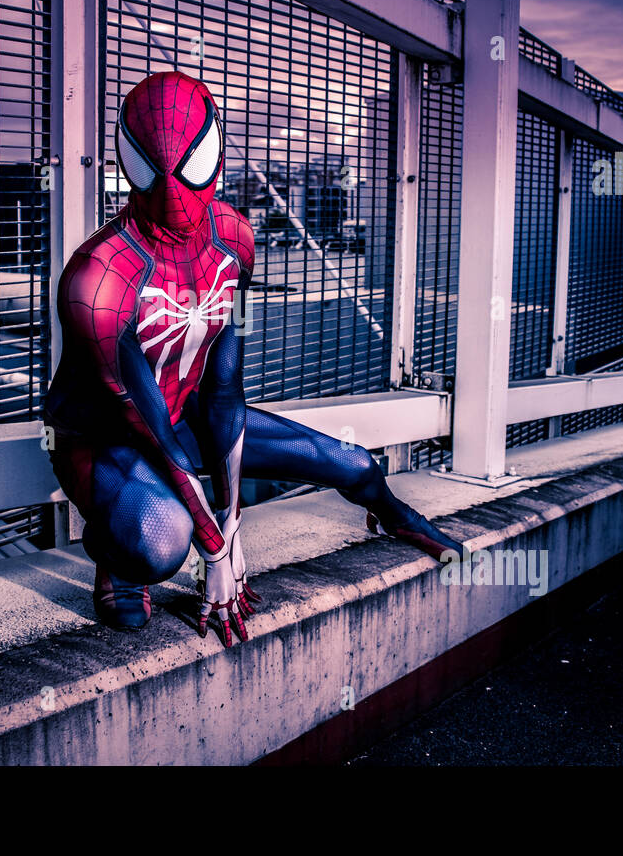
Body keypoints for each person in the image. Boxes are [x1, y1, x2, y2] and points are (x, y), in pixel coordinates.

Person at [43, 70, 464, 648]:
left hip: (186, 418)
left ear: (212, 150)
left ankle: (396, 517)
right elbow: (140, 419)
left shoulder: (233, 238)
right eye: (152, 170)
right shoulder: (99, 276)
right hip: (107, 441)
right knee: (161, 542)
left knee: (355, 463)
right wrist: (213, 547)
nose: (173, 192)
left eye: (189, 165)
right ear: (129, 162)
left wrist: (232, 523)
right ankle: (113, 554)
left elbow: (223, 388)